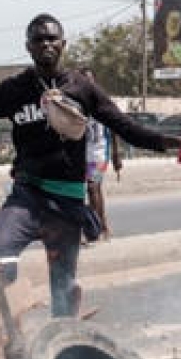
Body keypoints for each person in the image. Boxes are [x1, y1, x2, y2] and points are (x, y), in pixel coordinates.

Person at [0, 14, 181, 317]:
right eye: (38, 39)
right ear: (28, 47)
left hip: (68, 203)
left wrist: (166, 143)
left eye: (52, 38)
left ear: (63, 44)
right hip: (27, 197)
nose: (46, 44)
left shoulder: (82, 87)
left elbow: (124, 126)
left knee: (63, 291)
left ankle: (64, 347)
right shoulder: (13, 89)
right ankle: (11, 326)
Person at [80, 67, 121, 240]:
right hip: (80, 155)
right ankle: (102, 224)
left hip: (99, 154)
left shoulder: (103, 102)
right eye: (83, 80)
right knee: (83, 191)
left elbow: (114, 128)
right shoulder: (76, 103)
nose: (87, 83)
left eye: (90, 79)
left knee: (92, 187)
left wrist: (116, 155)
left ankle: (94, 229)